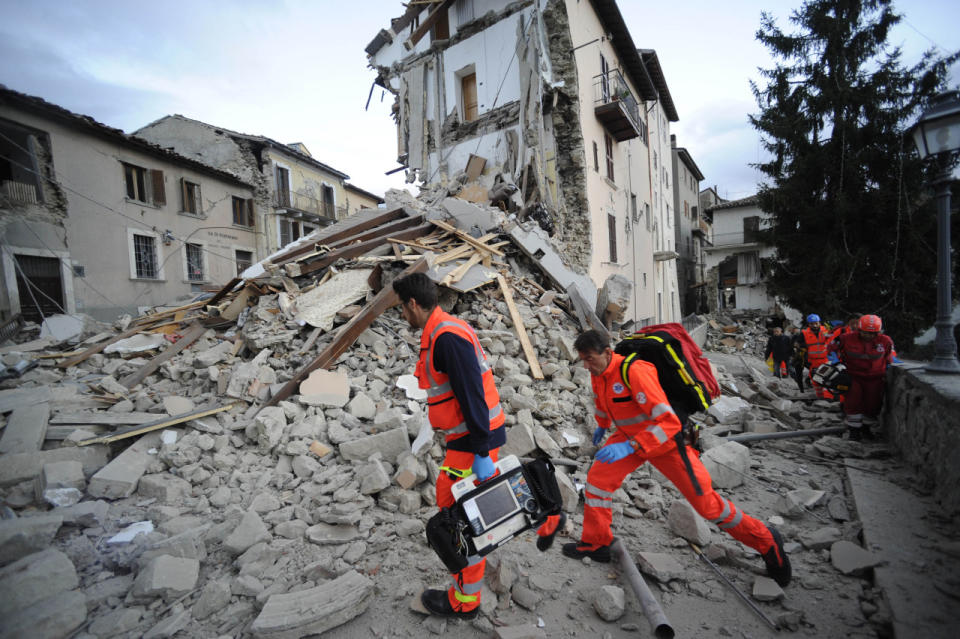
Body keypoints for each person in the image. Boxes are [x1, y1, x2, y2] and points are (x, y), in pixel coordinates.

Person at [560, 329, 791, 587]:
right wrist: (603, 424)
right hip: (629, 437)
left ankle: (766, 540)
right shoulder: (598, 373)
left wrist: (632, 446)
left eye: (590, 358)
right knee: (598, 481)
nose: (586, 365)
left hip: (666, 443)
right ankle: (597, 543)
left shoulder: (635, 371)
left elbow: (669, 422)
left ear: (607, 352)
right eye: (582, 359)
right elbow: (603, 402)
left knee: (707, 505)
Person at [392, 272, 507, 619]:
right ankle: (469, 580)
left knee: (457, 514)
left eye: (402, 308)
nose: (402, 315)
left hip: (475, 440)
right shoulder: (443, 330)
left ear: (414, 304)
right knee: (459, 509)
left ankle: (464, 601)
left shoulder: (446, 339)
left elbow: (472, 395)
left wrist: (483, 451)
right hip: (470, 437)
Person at [828, 314, 895, 440]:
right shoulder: (845, 338)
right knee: (853, 401)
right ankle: (854, 431)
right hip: (854, 375)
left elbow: (890, 357)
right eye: (865, 333)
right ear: (859, 330)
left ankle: (866, 428)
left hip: (875, 378)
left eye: (872, 333)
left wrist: (888, 368)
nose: (869, 336)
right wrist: (837, 363)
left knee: (872, 404)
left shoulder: (885, 341)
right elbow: (831, 349)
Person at [801, 314, 834, 398]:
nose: (814, 325)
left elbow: (833, 338)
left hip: (825, 360)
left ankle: (828, 398)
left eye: (816, 323)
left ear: (819, 322)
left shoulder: (826, 330)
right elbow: (801, 346)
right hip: (813, 361)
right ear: (809, 324)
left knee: (826, 379)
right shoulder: (804, 333)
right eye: (812, 324)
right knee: (815, 380)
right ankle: (820, 397)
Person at [788, 326, 807, 391]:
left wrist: (800, 346)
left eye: (794, 330)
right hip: (798, 357)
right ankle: (801, 389)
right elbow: (791, 346)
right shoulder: (794, 337)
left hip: (807, 357)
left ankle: (808, 382)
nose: (793, 331)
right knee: (798, 374)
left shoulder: (806, 335)